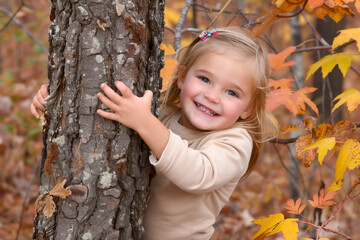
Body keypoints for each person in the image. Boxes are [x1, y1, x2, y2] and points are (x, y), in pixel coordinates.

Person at [30, 27, 273, 240]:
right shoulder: (165, 114)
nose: (212, 96)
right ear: (182, 77)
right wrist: (60, 99)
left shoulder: (235, 141)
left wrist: (144, 121)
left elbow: (199, 174)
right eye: (204, 79)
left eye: (232, 93)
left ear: (249, 108)